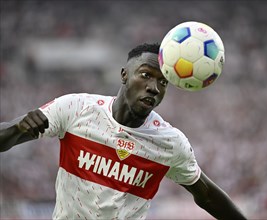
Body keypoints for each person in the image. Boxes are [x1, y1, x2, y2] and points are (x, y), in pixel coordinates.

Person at [0, 43, 247, 220]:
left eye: (163, 82)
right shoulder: (76, 108)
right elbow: (6, 137)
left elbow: (207, 196)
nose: (153, 87)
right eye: (145, 75)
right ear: (124, 75)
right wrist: (18, 128)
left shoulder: (170, 143)